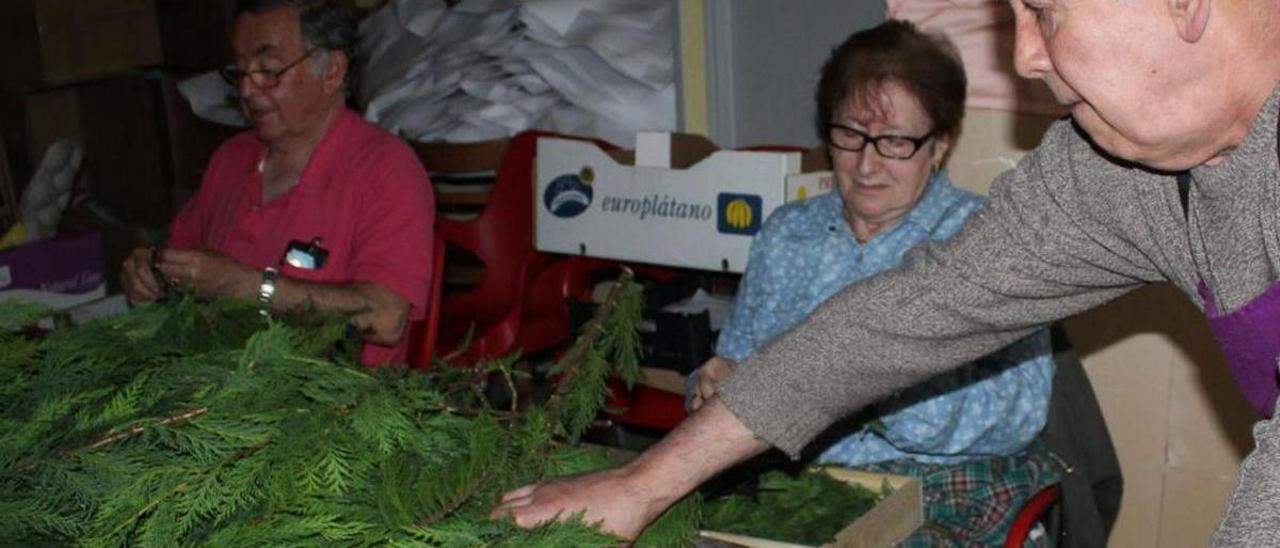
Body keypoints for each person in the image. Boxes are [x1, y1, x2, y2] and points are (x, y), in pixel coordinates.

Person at [495, 0, 1280, 544]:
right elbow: (897, 322)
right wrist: (640, 485)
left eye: (1045, 10)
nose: (1023, 55)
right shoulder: (1113, 173)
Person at [685, 21, 1057, 546]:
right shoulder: (787, 235)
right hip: (791, 484)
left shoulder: (987, 241)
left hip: (934, 490)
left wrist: (869, 391)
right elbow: (734, 366)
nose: (867, 163)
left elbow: (1021, 413)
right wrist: (713, 386)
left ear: (939, 146)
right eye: (849, 136)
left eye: (896, 142)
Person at [120, 0, 435, 366]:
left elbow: (385, 317)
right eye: (239, 72)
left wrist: (251, 288)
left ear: (332, 71)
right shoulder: (231, 159)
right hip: (221, 390)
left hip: (335, 404)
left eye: (268, 71)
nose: (248, 91)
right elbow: (180, 262)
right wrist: (151, 274)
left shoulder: (386, 169)